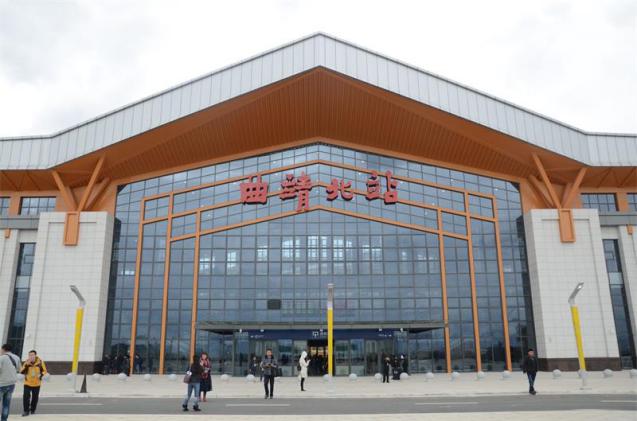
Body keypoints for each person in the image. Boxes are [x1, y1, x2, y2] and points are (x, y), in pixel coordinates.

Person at [20, 350, 47, 416]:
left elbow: (44, 371)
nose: (31, 356)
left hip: (36, 383)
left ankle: (32, 410)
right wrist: (27, 365)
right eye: (29, 355)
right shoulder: (26, 362)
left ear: (35, 355)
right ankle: (26, 411)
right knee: (26, 397)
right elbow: (21, 371)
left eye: (32, 355)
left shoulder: (40, 362)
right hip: (27, 383)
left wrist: (41, 375)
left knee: (35, 398)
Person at [0, 344, 20, 421]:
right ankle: (4, 420)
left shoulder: (1, 358)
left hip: (1, 384)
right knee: (6, 404)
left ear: (3, 349)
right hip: (11, 384)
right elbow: (18, 369)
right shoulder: (17, 358)